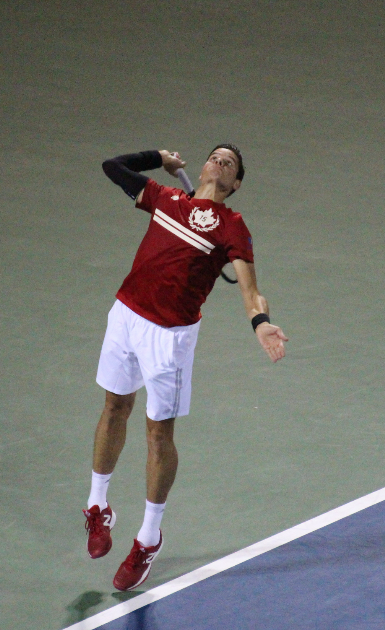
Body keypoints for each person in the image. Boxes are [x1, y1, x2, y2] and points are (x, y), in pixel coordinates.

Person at [84, 144, 288, 591]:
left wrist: (261, 323)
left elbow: (251, 290)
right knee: (114, 407)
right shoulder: (165, 198)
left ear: (235, 184)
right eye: (215, 156)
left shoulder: (232, 226)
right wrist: (158, 157)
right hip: (125, 315)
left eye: (230, 162)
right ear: (203, 167)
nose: (220, 161)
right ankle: (98, 507)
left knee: (158, 433)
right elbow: (112, 167)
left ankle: (148, 538)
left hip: (170, 338)